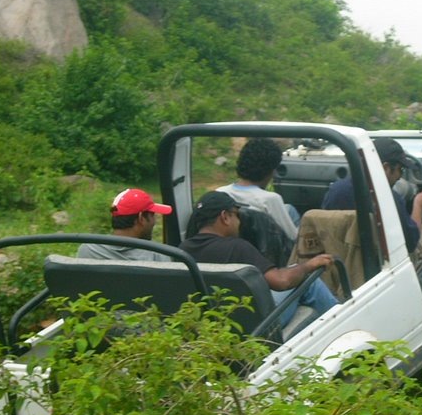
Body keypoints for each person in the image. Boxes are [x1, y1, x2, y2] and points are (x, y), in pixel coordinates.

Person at [180, 191, 338, 330]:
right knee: (311, 282)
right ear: (225, 217)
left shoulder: (183, 250)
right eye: (237, 215)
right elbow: (281, 281)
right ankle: (344, 325)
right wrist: (309, 265)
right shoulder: (237, 247)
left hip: (209, 323)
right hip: (256, 325)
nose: (239, 222)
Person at [322, 137, 422, 285]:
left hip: (345, 261)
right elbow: (410, 243)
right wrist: (418, 205)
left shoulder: (336, 189)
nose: (399, 177)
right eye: (400, 170)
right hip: (382, 265)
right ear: (385, 168)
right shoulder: (388, 198)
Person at [217, 137, 299, 240]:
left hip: (232, 245)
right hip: (264, 251)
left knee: (288, 208)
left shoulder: (220, 192)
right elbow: (292, 237)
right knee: (292, 212)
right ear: (271, 171)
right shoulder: (270, 199)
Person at [77, 188, 173, 261]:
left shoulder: (88, 250)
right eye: (153, 215)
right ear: (141, 218)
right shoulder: (157, 256)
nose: (154, 221)